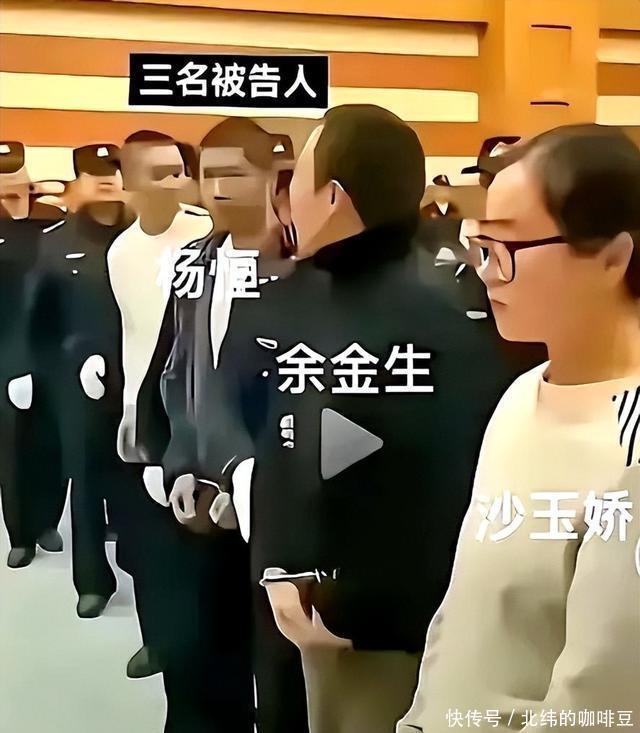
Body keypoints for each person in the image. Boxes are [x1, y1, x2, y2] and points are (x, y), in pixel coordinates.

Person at [196, 105, 523, 733]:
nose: (284, 197)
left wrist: (348, 603)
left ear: (333, 199)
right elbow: (278, 440)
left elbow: (442, 484)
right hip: (295, 602)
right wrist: (277, 561)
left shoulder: (445, 317)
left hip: (380, 632)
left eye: (297, 180)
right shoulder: (287, 299)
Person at [398, 124, 640, 732]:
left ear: (613, 257)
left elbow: (601, 700)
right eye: (480, 244)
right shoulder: (521, 394)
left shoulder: (630, 443)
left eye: (507, 246)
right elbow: (467, 610)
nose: (485, 270)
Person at [135, 117, 307, 733]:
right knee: (196, 669)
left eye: (235, 173)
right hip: (198, 502)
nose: (218, 188)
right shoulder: (194, 263)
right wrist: (176, 460)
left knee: (284, 679)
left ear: (273, 179)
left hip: (277, 507)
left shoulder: (306, 267)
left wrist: (253, 483)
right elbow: (178, 370)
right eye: (208, 175)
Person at [107, 130, 212, 684]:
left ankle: (199, 646)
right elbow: (133, 333)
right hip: (146, 411)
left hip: (198, 405)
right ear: (129, 183)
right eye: (161, 173)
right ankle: (156, 639)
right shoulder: (121, 253)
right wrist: (131, 408)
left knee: (197, 535)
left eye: (180, 170)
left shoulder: (206, 235)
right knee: (147, 540)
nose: (177, 181)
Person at [26, 144, 140, 617]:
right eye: (94, 173)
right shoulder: (55, 243)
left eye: (114, 170)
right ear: (77, 184)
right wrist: (59, 367)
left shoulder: (145, 237)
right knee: (87, 480)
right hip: (80, 385)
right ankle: (92, 580)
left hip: (142, 377)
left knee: (140, 478)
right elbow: (40, 322)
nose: (107, 180)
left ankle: (142, 565)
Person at [0, 140, 67, 569]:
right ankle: (20, 534)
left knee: (54, 442)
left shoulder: (52, 223)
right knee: (13, 448)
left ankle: (47, 522)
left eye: (15, 173)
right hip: (7, 352)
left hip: (55, 351)